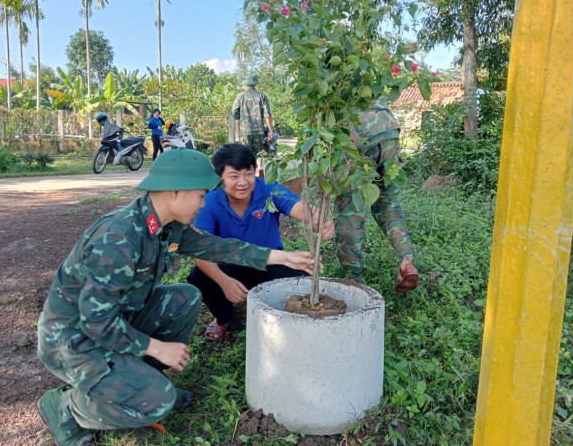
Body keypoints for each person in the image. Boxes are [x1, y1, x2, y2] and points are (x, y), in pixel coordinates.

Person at [36, 149, 316, 446]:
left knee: (185, 297)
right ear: (175, 192)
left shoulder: (167, 224)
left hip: (118, 320)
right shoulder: (118, 239)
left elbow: (217, 248)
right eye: (200, 195)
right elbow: (95, 322)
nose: (205, 202)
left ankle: (140, 377)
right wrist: (156, 347)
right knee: (159, 402)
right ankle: (67, 406)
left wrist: (282, 257)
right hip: (73, 340)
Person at [187, 144, 334, 342]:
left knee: (302, 275)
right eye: (234, 176)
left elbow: (299, 207)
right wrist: (224, 282)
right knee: (199, 277)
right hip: (230, 265)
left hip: (270, 262)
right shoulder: (210, 201)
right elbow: (201, 251)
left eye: (248, 174)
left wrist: (320, 217)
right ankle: (224, 317)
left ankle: (284, 317)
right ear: (220, 177)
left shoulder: (268, 189)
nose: (243, 182)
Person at [335, 98, 419, 292]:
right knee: (387, 200)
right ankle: (406, 259)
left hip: (359, 136)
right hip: (389, 130)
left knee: (349, 210)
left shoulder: (331, 71)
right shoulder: (364, 70)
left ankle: (353, 279)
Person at [231, 74, 274, 175]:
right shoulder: (262, 96)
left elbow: (234, 112)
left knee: (245, 152)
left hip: (245, 130)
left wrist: (238, 117)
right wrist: (270, 130)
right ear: (255, 84)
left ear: (246, 84)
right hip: (258, 130)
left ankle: (247, 173)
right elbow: (268, 114)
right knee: (257, 151)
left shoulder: (240, 96)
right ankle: (259, 167)